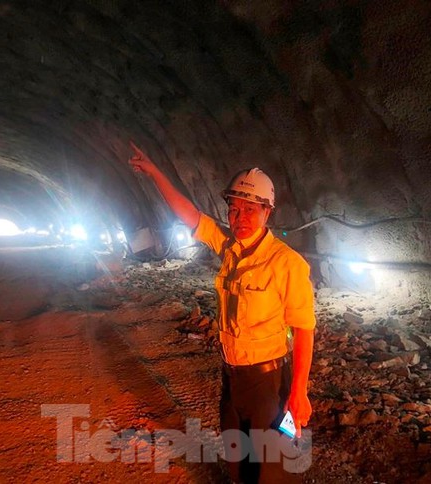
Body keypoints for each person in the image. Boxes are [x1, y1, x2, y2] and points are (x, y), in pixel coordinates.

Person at [127, 141, 316, 483]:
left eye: (250, 209)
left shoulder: (287, 264)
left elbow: (304, 328)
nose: (240, 218)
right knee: (238, 462)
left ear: (267, 211)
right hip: (232, 378)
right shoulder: (229, 247)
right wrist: (155, 173)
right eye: (233, 209)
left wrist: (298, 392)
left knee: (273, 471)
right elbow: (190, 215)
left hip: (268, 383)